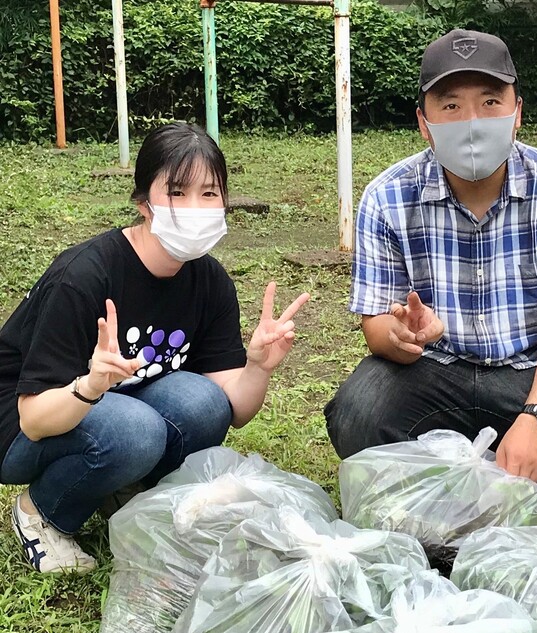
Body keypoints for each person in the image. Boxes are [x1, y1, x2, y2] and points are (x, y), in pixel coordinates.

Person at [324, 29, 537, 504]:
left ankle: (506, 480)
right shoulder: (387, 197)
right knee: (357, 416)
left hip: (531, 369)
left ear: (517, 113)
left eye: (490, 101)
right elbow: (376, 326)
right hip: (432, 371)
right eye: (451, 105)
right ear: (424, 122)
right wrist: (403, 337)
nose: (472, 122)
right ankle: (460, 491)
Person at [0, 122, 309, 574]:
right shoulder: (85, 277)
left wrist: (258, 366)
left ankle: (126, 486)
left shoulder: (209, 280)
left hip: (111, 405)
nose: (195, 208)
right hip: (21, 422)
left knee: (204, 402)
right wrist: (89, 385)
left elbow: (233, 408)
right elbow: (33, 417)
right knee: (136, 431)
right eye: (177, 192)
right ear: (144, 203)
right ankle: (40, 513)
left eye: (209, 193)